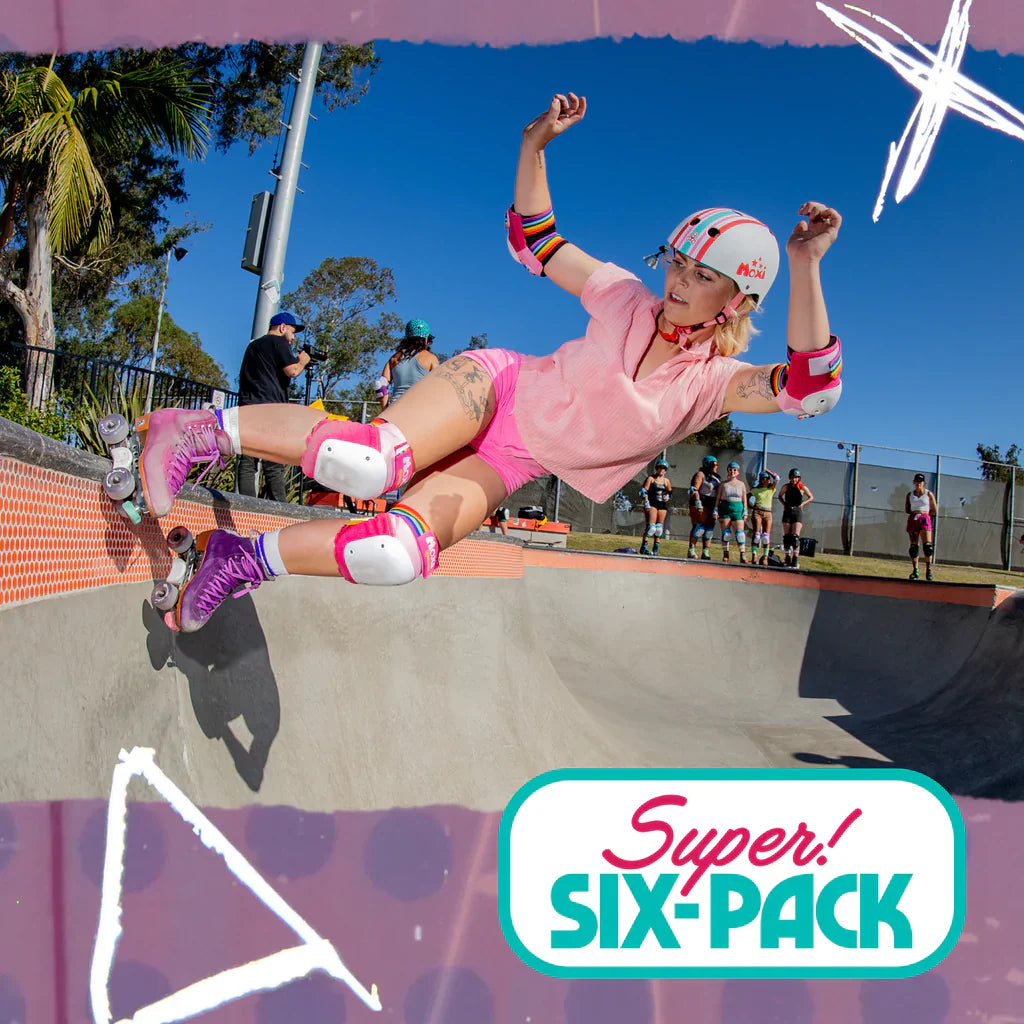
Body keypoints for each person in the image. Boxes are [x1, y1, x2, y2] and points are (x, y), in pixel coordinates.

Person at [127, 92, 844, 633]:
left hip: (513, 461)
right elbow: (538, 241)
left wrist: (805, 264)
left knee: (395, 555)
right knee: (370, 463)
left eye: (701, 275)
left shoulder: (714, 386)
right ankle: (193, 432)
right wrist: (534, 147)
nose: (677, 282)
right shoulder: (624, 296)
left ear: (736, 300)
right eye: (677, 262)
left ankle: (240, 559)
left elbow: (810, 390)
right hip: (500, 388)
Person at [235, 311, 320, 503]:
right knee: (273, 461)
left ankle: (246, 505)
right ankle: (279, 507)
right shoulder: (279, 343)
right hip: (270, 410)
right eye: (292, 332)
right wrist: (303, 361)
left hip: (247, 408)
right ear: (282, 327)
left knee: (248, 461)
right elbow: (293, 371)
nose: (292, 338)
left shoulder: (253, 346)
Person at [376, 319, 440, 410]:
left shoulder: (393, 359)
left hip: (395, 409)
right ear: (426, 340)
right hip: (420, 410)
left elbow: (380, 385)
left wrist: (385, 410)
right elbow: (438, 387)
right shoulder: (431, 359)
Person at [777, 468, 814, 568]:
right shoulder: (786, 487)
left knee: (795, 537)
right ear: (790, 478)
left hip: (797, 512)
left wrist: (803, 504)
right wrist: (784, 504)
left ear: (799, 478)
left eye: (796, 477)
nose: (794, 479)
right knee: (787, 537)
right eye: (793, 477)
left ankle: (795, 559)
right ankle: (787, 558)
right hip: (788, 512)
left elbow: (811, 497)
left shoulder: (802, 487)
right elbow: (780, 496)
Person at [687, 455, 720, 560]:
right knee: (699, 528)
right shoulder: (700, 474)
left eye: (717, 465)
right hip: (702, 502)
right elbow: (695, 489)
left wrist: (717, 508)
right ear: (707, 464)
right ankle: (692, 550)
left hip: (712, 504)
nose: (716, 467)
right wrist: (698, 503)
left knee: (709, 529)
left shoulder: (717, 478)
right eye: (714, 465)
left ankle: (705, 552)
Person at [906, 473, 938, 581]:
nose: (918, 483)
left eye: (920, 482)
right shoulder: (910, 495)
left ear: (924, 483)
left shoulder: (928, 494)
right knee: (914, 547)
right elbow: (907, 508)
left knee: (927, 546)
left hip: (924, 518)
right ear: (914, 482)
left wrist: (925, 515)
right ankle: (915, 571)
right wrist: (915, 514)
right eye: (916, 481)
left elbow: (934, 509)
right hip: (914, 518)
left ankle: (928, 570)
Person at [715, 461, 749, 563]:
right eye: (730, 469)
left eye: (735, 470)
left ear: (738, 472)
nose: (732, 471)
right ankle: (726, 554)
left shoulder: (741, 484)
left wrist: (745, 510)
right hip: (725, 509)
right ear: (728, 471)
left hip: (738, 509)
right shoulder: (723, 484)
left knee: (740, 534)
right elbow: (718, 498)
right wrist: (715, 509)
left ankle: (742, 555)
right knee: (726, 533)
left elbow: (744, 498)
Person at [639, 458, 672, 556]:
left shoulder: (666, 481)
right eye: (659, 468)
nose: (661, 470)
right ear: (656, 468)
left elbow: (670, 492)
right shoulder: (651, 478)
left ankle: (656, 548)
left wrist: (668, 496)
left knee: (659, 529)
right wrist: (646, 502)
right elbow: (644, 491)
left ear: (666, 470)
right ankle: (644, 546)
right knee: (651, 528)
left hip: (662, 505)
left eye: (663, 468)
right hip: (652, 503)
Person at [749, 469, 779, 565]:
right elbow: (746, 497)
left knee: (766, 536)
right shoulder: (756, 490)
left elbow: (777, 478)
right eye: (764, 479)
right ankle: (754, 555)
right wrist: (750, 506)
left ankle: (765, 557)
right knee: (756, 535)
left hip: (768, 512)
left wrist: (767, 471)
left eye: (767, 479)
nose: (766, 480)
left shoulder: (771, 489)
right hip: (757, 512)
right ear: (761, 480)